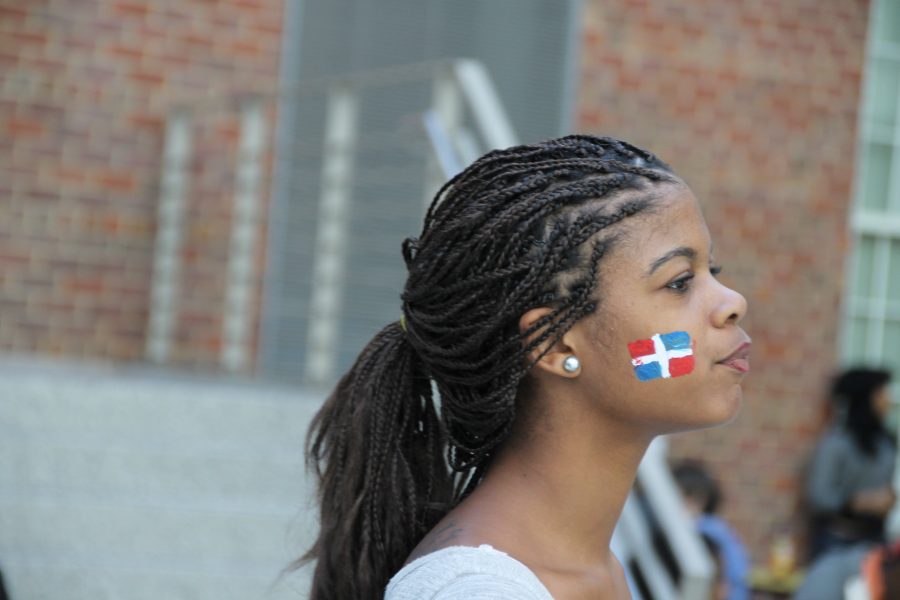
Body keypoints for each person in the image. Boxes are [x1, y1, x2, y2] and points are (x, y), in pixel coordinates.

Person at [299, 135, 751, 599]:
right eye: (679, 282)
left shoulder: (593, 568)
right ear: (552, 344)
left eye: (711, 273)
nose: (732, 302)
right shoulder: (476, 591)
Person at [794, 367, 895, 600]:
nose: (889, 400)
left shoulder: (886, 443)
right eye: (882, 393)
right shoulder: (836, 443)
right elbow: (818, 494)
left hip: (874, 542)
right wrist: (855, 503)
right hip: (836, 540)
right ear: (867, 397)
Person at [672, 460, 750, 600]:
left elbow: (733, 576)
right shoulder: (717, 528)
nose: (689, 506)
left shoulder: (709, 529)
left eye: (694, 500)